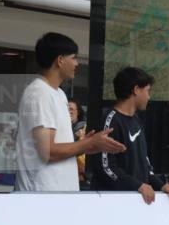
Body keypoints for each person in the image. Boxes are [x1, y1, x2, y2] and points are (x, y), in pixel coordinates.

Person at [15, 33, 125, 191]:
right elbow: (48, 151)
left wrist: (88, 144)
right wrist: (87, 143)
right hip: (41, 196)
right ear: (60, 60)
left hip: (59, 195)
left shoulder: (59, 93)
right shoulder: (38, 93)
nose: (77, 63)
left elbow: (57, 147)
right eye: (74, 58)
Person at [89, 67, 169, 205]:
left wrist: (161, 185)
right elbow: (105, 168)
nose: (149, 97)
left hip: (134, 204)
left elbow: (144, 164)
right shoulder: (110, 120)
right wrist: (137, 185)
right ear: (136, 90)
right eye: (148, 91)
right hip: (111, 205)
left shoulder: (137, 121)